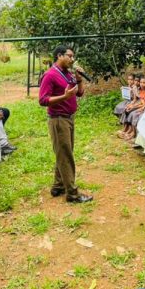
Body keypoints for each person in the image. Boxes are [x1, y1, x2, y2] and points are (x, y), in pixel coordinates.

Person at [39, 45, 93, 203]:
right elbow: (43, 100)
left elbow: (80, 93)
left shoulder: (68, 74)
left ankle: (58, 185)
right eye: (69, 56)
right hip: (58, 120)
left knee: (64, 153)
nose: (72, 59)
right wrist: (64, 97)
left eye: (72, 56)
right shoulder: (50, 75)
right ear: (59, 56)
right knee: (66, 155)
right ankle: (72, 193)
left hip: (69, 118)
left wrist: (79, 79)